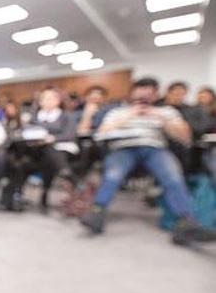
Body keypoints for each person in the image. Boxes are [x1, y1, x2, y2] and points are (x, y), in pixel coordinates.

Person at [80, 78, 216, 245]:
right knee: (113, 175)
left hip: (155, 149)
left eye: (149, 92)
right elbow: (101, 134)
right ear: (132, 93)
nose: (144, 96)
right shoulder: (118, 112)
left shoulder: (167, 111)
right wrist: (130, 116)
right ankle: (97, 211)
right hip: (123, 148)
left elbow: (186, 138)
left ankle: (186, 221)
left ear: (155, 95)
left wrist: (160, 118)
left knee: (172, 177)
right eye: (140, 91)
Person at [3, 87, 79, 213]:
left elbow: (70, 134)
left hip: (61, 149)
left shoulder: (66, 116)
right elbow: (26, 133)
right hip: (35, 150)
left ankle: (61, 174)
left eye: (51, 98)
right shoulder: (33, 117)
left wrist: (53, 138)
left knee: (48, 153)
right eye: (44, 99)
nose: (48, 101)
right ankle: (64, 172)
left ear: (58, 101)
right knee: (23, 162)